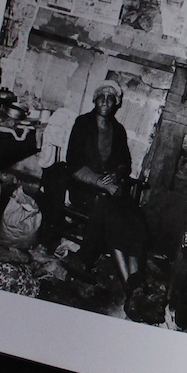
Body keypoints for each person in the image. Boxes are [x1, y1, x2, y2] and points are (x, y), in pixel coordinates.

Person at [61, 81, 149, 306]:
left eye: (111, 98)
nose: (105, 101)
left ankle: (135, 286)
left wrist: (116, 173)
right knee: (112, 213)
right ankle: (132, 289)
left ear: (116, 104)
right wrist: (101, 182)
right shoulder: (82, 124)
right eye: (101, 96)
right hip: (84, 189)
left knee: (134, 217)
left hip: (110, 191)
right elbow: (73, 164)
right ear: (94, 99)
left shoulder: (118, 130)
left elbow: (125, 163)